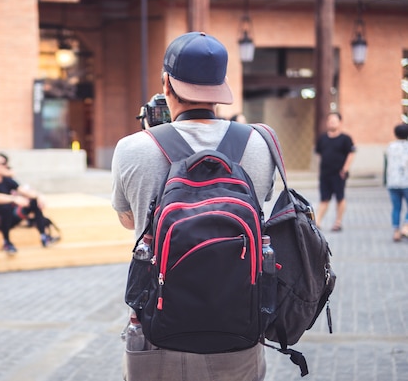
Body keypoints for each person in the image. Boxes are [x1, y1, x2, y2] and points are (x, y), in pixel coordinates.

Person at [111, 32, 277, 381]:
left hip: (157, 329)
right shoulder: (261, 143)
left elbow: (130, 222)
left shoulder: (132, 147)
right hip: (238, 329)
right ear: (221, 86)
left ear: (166, 83)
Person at [0, 152, 57, 254]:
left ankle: (44, 236)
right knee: (6, 207)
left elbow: (23, 190)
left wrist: (39, 196)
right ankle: (7, 242)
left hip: (11, 219)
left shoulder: (7, 180)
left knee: (34, 202)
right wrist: (14, 199)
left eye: (2, 163)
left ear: (6, 166)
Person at [314, 112, 356, 231]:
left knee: (340, 198)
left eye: (334, 120)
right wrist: (319, 170)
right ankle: (317, 222)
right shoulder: (322, 138)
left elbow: (351, 153)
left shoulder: (345, 139)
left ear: (340, 123)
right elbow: (319, 155)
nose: (331, 123)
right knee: (324, 198)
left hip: (339, 174)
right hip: (325, 173)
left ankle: (338, 222)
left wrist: (345, 169)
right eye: (330, 120)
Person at [384, 123, 408, 242]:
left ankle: (396, 232)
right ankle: (406, 226)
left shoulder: (390, 146)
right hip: (406, 182)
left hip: (393, 182)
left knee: (396, 208)